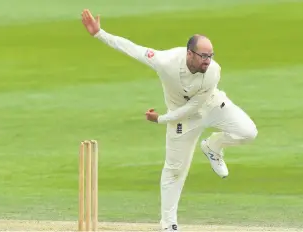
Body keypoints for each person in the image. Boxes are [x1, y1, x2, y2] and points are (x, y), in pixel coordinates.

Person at [81, 9, 258, 231]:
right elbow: (134, 50)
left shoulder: (213, 71)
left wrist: (161, 119)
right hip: (181, 118)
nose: (207, 61)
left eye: (210, 55)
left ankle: (213, 146)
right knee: (174, 169)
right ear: (189, 53)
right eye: (203, 56)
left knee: (248, 132)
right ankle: (169, 224)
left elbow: (195, 105)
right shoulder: (166, 61)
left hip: (211, 106)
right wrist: (99, 34)